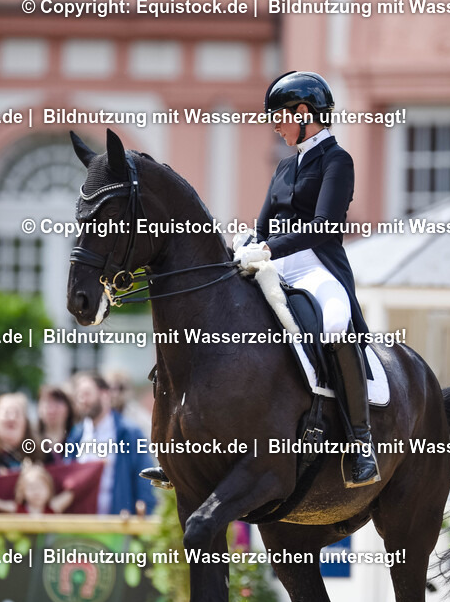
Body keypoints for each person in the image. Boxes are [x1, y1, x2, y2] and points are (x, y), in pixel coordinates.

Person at [143, 71, 380, 489]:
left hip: (316, 266)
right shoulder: (285, 166)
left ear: (304, 112)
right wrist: (248, 243)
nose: (275, 126)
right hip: (274, 263)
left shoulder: (337, 160)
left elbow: (324, 226)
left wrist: (269, 248)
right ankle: (184, 446)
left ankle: (360, 442)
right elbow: (264, 224)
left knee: (335, 325)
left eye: (280, 117)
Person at [71, 372, 154, 515]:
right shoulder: (77, 434)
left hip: (119, 521)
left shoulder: (129, 433)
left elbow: (145, 479)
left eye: (87, 394)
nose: (82, 400)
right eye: (79, 395)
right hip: (82, 522)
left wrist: (144, 515)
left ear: (104, 394)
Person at [37, 385, 75, 463]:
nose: (52, 409)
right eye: (47, 403)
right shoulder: (33, 443)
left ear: (68, 408)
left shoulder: (78, 438)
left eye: (57, 402)